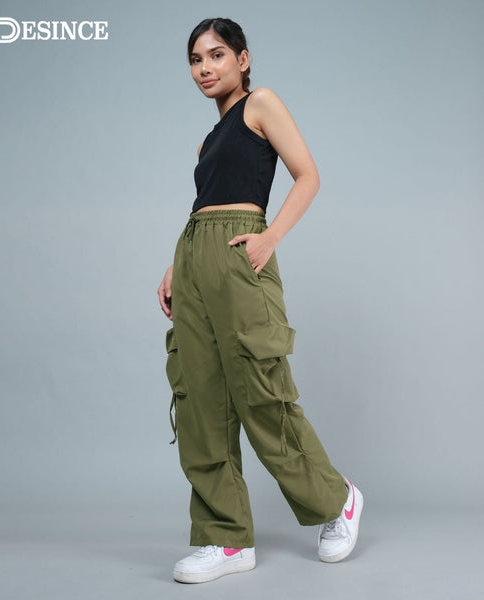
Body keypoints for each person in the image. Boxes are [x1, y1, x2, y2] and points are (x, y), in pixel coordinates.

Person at [157, 17, 364, 584]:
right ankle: (226, 539)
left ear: (242, 59)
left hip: (239, 256)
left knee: (261, 394)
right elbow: (204, 204)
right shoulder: (207, 141)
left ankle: (337, 500)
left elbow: (307, 175)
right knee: (200, 402)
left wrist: (269, 238)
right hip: (195, 258)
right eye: (195, 59)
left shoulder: (260, 104)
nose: (205, 68)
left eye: (216, 55)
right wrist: (177, 266)